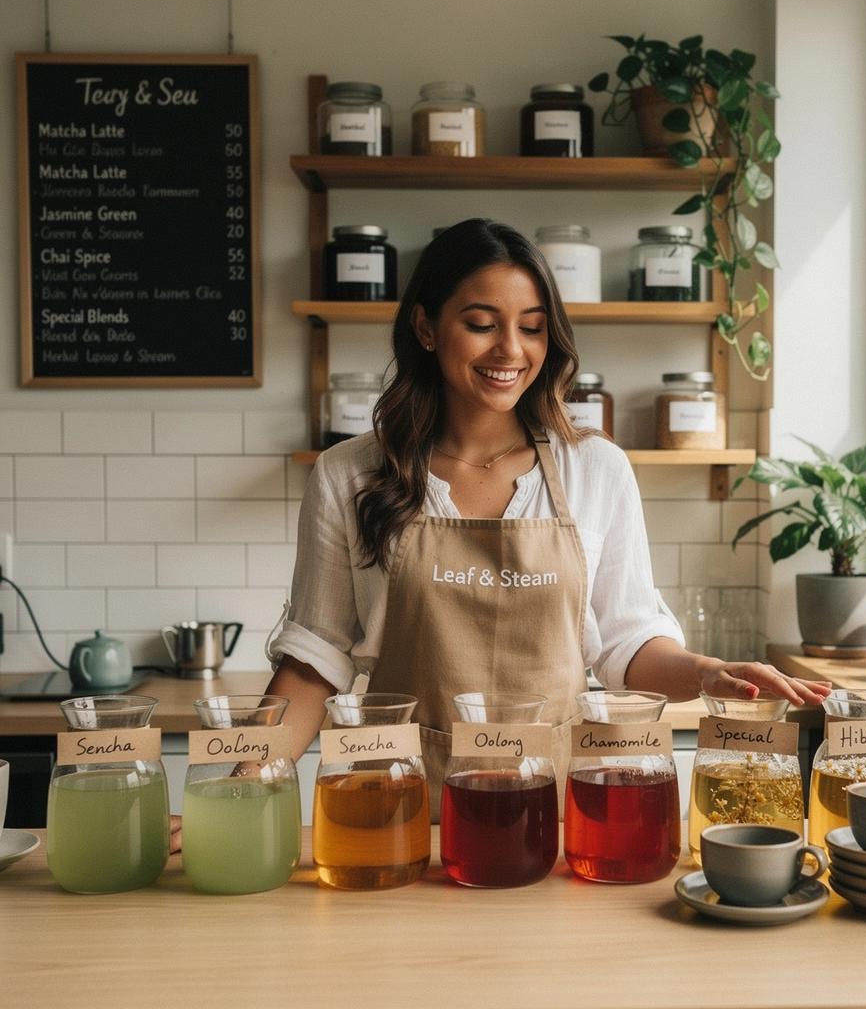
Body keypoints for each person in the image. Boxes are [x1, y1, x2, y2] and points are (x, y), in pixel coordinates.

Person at [172, 218, 829, 847]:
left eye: (533, 328)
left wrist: (711, 673)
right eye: (481, 324)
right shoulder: (352, 474)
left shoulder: (595, 468)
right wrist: (241, 786)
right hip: (398, 808)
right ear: (427, 327)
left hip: (565, 814)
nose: (510, 351)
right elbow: (315, 662)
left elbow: (628, 646)